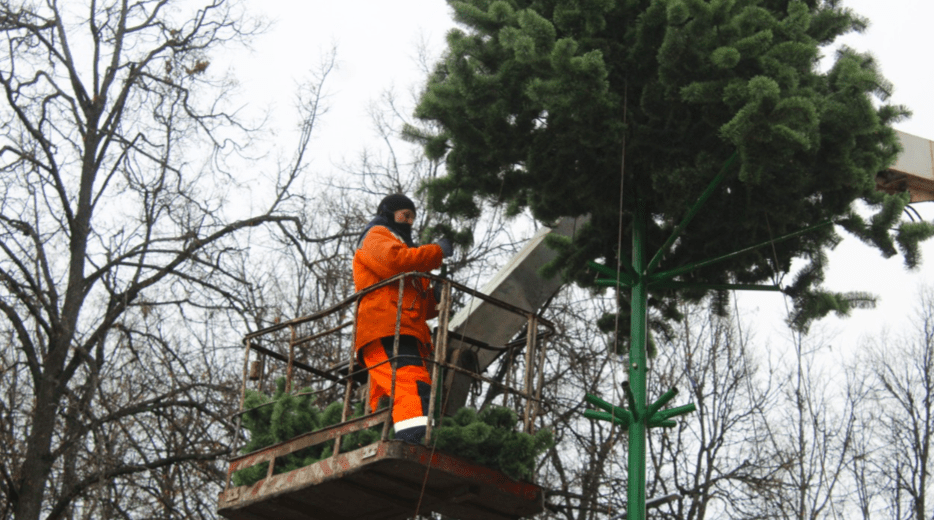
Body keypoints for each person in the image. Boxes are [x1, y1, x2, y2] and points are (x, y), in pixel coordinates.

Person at [352, 194, 454, 444]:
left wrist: (435, 297)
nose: (409, 222)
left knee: (390, 396)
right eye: (404, 215)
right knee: (412, 385)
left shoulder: (406, 252)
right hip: (384, 329)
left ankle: (387, 440)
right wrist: (436, 251)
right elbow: (394, 262)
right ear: (389, 212)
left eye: (412, 218)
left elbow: (419, 305)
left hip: (404, 331)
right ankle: (415, 442)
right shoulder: (375, 236)